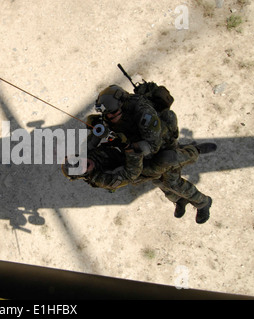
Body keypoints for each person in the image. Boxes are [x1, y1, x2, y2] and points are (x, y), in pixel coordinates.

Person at [68, 84, 215, 223]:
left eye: (111, 114)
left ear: (122, 106)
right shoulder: (101, 178)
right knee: (158, 180)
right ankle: (179, 200)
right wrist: (99, 133)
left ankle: (203, 201)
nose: (108, 118)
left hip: (158, 145)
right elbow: (130, 172)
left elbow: (153, 146)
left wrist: (129, 146)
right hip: (137, 159)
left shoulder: (144, 115)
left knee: (172, 179)